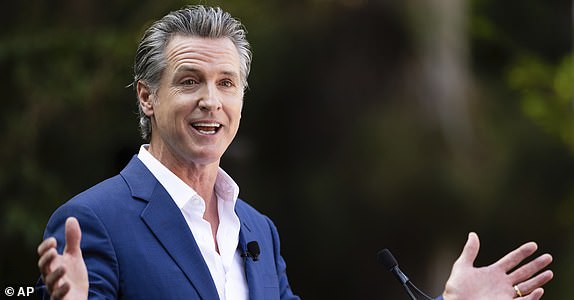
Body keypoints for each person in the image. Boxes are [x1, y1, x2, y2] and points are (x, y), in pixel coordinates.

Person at [36, 5, 553, 300]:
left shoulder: (257, 231)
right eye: (189, 81)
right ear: (147, 96)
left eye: (227, 83)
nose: (210, 102)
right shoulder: (92, 220)